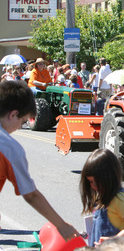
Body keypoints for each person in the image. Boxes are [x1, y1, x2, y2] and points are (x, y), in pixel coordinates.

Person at [0, 81, 79, 241]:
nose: (20, 128)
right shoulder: (9, 147)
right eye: (22, 121)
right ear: (13, 114)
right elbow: (31, 195)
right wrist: (62, 226)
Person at [79, 149, 124, 247]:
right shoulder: (101, 197)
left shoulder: (119, 198)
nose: (92, 186)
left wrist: (114, 241)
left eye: (94, 181)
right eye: (90, 182)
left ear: (107, 177)